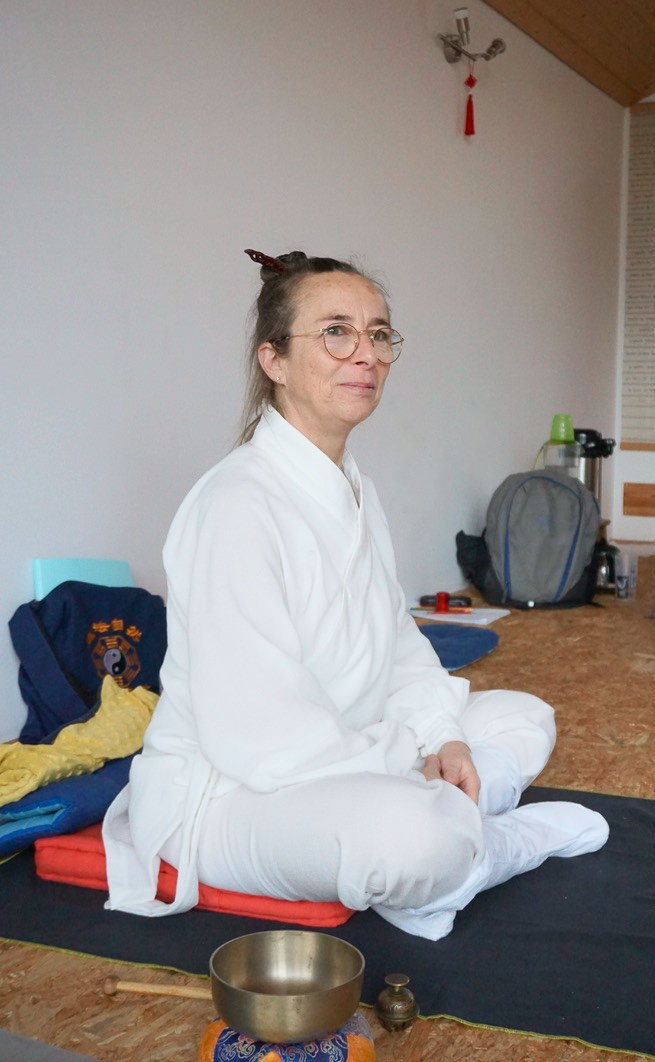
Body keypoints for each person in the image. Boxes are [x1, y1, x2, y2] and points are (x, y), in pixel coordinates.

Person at [103, 248, 608, 939]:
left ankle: (454, 821)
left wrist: (442, 740)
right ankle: (492, 846)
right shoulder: (236, 505)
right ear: (274, 360)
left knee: (523, 716)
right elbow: (260, 732)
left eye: (378, 334)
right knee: (407, 838)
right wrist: (407, 762)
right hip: (237, 795)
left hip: (357, 750)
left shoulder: (354, 486)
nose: (365, 354)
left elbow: (398, 645)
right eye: (336, 332)